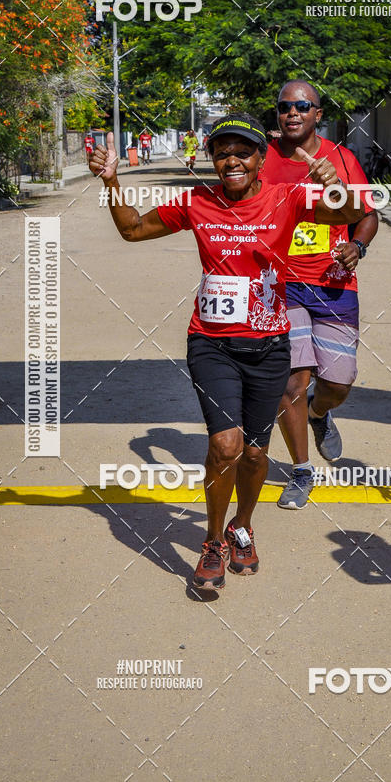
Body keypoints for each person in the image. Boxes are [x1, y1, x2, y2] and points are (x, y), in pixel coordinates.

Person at [89, 114, 366, 590]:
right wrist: (111, 181)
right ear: (212, 160)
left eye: (242, 152)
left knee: (255, 455)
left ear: (261, 159)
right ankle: (214, 540)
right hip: (212, 344)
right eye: (222, 153)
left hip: (269, 347)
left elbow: (348, 215)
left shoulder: (287, 198)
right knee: (225, 446)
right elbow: (132, 229)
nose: (231, 160)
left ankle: (243, 527)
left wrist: (334, 185)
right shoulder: (197, 201)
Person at [262, 80, 378, 509]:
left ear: (317, 114)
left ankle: (319, 412)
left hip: (333, 284)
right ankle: (301, 470)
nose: (292, 113)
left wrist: (357, 245)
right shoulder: (263, 159)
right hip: (281, 285)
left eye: (302, 106)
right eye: (284, 107)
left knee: (338, 382)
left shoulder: (341, 158)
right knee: (292, 380)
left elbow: (367, 215)